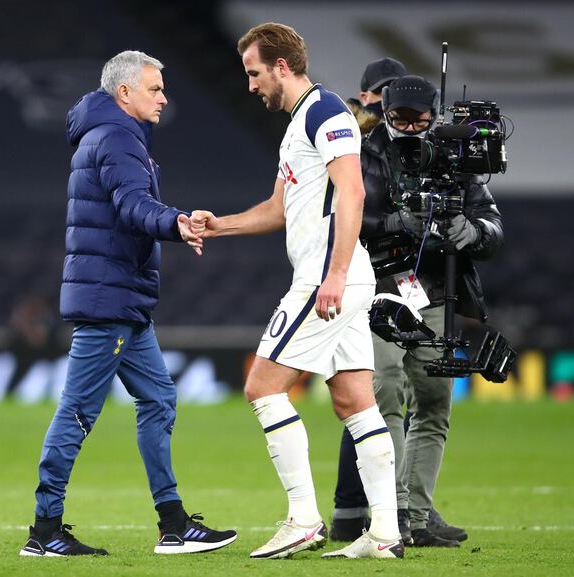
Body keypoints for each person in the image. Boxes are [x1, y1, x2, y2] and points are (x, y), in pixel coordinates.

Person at [190, 22, 404, 560]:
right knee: (354, 399)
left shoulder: (325, 111)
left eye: (254, 72)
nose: (250, 85)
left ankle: (303, 520)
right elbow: (277, 210)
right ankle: (384, 533)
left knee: (262, 387)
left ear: (282, 66)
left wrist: (332, 275)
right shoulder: (297, 125)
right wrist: (219, 226)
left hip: (328, 277)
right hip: (341, 276)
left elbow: (352, 190)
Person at [19, 50, 237, 557]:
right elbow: (133, 205)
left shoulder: (106, 133)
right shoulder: (118, 137)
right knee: (77, 413)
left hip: (122, 299)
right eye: (154, 88)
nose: (163, 97)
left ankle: (174, 523)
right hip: (110, 299)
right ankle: (45, 529)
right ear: (124, 93)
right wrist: (177, 223)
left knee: (159, 399)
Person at [330, 74, 504, 548]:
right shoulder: (360, 152)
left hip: (434, 292)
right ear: (384, 111)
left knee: (433, 404)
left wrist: (474, 231)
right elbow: (338, 215)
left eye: (418, 119)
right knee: (385, 393)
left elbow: (492, 223)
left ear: (434, 114)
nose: (408, 126)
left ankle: (420, 515)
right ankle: (394, 511)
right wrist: (392, 222)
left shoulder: (455, 155)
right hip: (379, 288)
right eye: (400, 118)